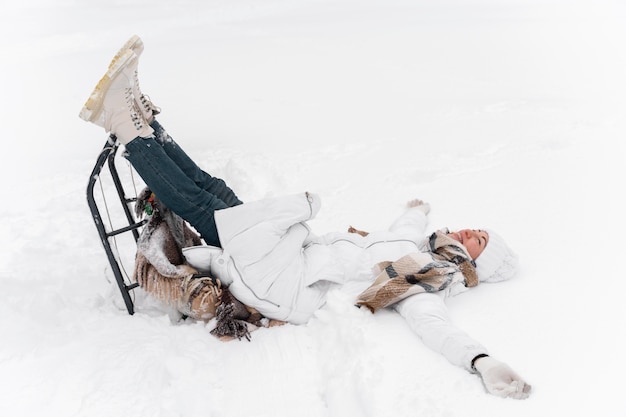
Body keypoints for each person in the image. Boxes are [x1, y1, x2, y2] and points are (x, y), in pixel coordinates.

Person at [79, 35, 531, 399]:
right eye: (479, 230)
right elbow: (406, 228)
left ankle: (123, 123)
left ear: (474, 265)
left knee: (206, 210)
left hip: (286, 281)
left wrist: (482, 362)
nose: (473, 232)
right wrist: (418, 209)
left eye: (481, 242)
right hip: (294, 255)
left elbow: (437, 329)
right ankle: (144, 121)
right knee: (217, 192)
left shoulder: (425, 284)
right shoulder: (416, 248)